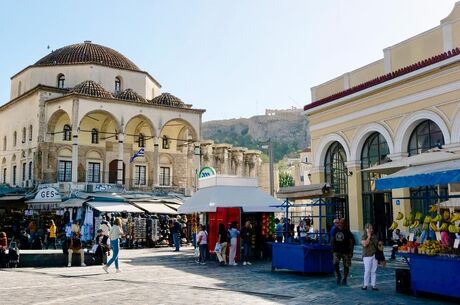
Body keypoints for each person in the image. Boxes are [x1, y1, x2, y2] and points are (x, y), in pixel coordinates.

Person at [331, 219, 354, 285]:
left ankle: (345, 278)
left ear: (344, 224)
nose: (340, 224)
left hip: (345, 251)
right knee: (335, 263)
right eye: (340, 223)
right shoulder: (335, 230)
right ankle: (338, 275)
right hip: (336, 250)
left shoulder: (347, 231)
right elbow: (332, 239)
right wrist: (332, 248)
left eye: (342, 223)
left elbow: (351, 241)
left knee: (346, 265)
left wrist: (351, 251)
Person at [361, 223, 379, 291]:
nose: (371, 230)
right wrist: (368, 236)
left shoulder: (374, 236)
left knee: (374, 270)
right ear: (366, 229)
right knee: (367, 270)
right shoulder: (364, 236)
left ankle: (373, 285)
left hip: (374, 255)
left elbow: (377, 244)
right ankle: (365, 284)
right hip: (367, 255)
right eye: (370, 228)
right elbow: (365, 244)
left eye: (372, 228)